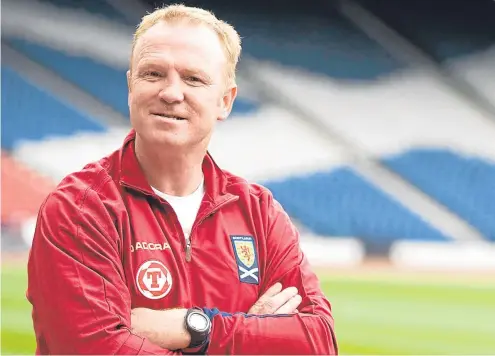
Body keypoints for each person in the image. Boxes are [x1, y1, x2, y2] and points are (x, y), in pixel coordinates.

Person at [26, 3, 338, 355]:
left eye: (193, 79)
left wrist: (193, 325)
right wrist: (251, 334)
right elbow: (95, 348)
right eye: (153, 74)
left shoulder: (259, 212)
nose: (172, 93)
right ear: (131, 86)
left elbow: (318, 341)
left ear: (225, 101)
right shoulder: (81, 206)